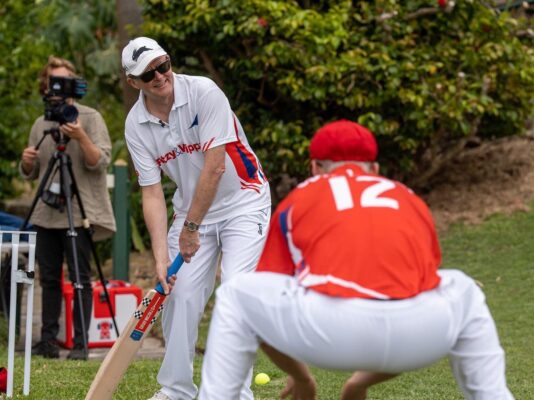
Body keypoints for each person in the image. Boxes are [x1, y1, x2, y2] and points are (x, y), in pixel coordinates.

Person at [198, 120, 515, 400]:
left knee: (237, 295)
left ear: (315, 168)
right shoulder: (407, 196)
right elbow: (403, 301)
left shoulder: (305, 193)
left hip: (326, 333)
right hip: (418, 336)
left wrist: (301, 377)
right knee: (462, 288)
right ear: (375, 170)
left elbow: (264, 315)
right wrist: (359, 383)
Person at [121, 37, 271, 400]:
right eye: (148, 73)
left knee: (235, 291)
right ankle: (176, 390)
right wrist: (160, 256)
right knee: (180, 295)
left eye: (163, 65)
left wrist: (190, 229)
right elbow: (152, 191)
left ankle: (235, 392)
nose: (160, 76)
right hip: (191, 210)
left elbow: (216, 167)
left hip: (243, 201)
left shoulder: (204, 92)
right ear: (133, 82)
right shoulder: (135, 124)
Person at [20, 56, 116, 360]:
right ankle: (47, 341)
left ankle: (80, 344)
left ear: (74, 84)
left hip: (80, 210)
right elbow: (31, 173)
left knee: (79, 278)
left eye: (64, 82)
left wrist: (81, 135)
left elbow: (98, 162)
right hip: (47, 214)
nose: (58, 88)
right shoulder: (41, 123)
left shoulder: (90, 117)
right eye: (53, 82)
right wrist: (26, 162)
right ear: (45, 86)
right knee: (48, 278)